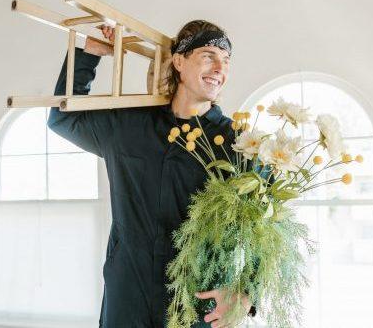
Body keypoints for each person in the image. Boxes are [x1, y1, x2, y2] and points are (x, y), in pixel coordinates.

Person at [48, 20, 255, 328]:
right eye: (209, 55)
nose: (219, 68)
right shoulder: (129, 126)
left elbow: (266, 222)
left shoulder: (238, 143)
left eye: (226, 61)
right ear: (179, 60)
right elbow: (63, 120)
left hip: (195, 298)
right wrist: (89, 54)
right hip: (127, 293)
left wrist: (246, 290)